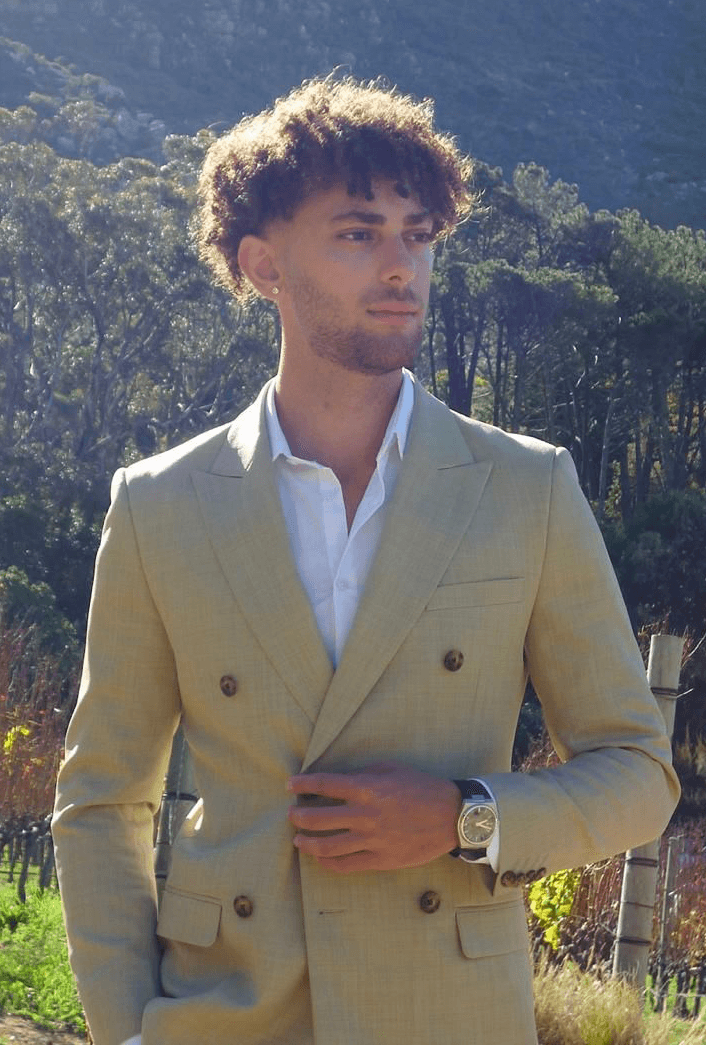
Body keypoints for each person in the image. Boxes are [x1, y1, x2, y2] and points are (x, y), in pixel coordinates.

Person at [52, 76, 679, 1045]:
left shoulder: (527, 488)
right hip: (227, 1020)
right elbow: (101, 798)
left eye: (417, 235)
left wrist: (465, 817)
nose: (400, 267)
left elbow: (638, 771)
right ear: (262, 262)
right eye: (357, 233)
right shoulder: (158, 505)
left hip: (449, 1020)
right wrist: (126, 1030)